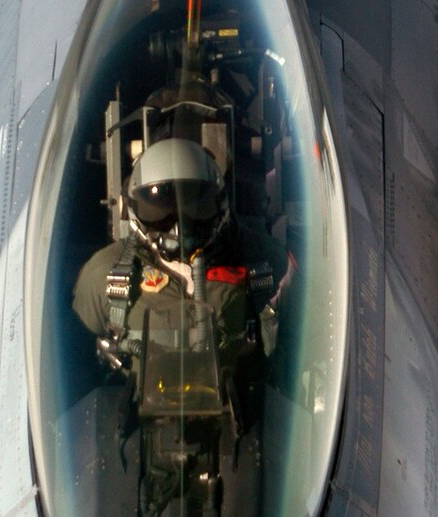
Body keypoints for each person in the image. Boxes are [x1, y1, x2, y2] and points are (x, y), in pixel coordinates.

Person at [73, 136, 290, 404]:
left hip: (244, 420)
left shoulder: (263, 262)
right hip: (141, 425)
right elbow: (77, 368)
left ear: (219, 204)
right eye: (160, 211)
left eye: (194, 207)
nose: (178, 228)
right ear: (135, 210)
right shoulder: (105, 274)